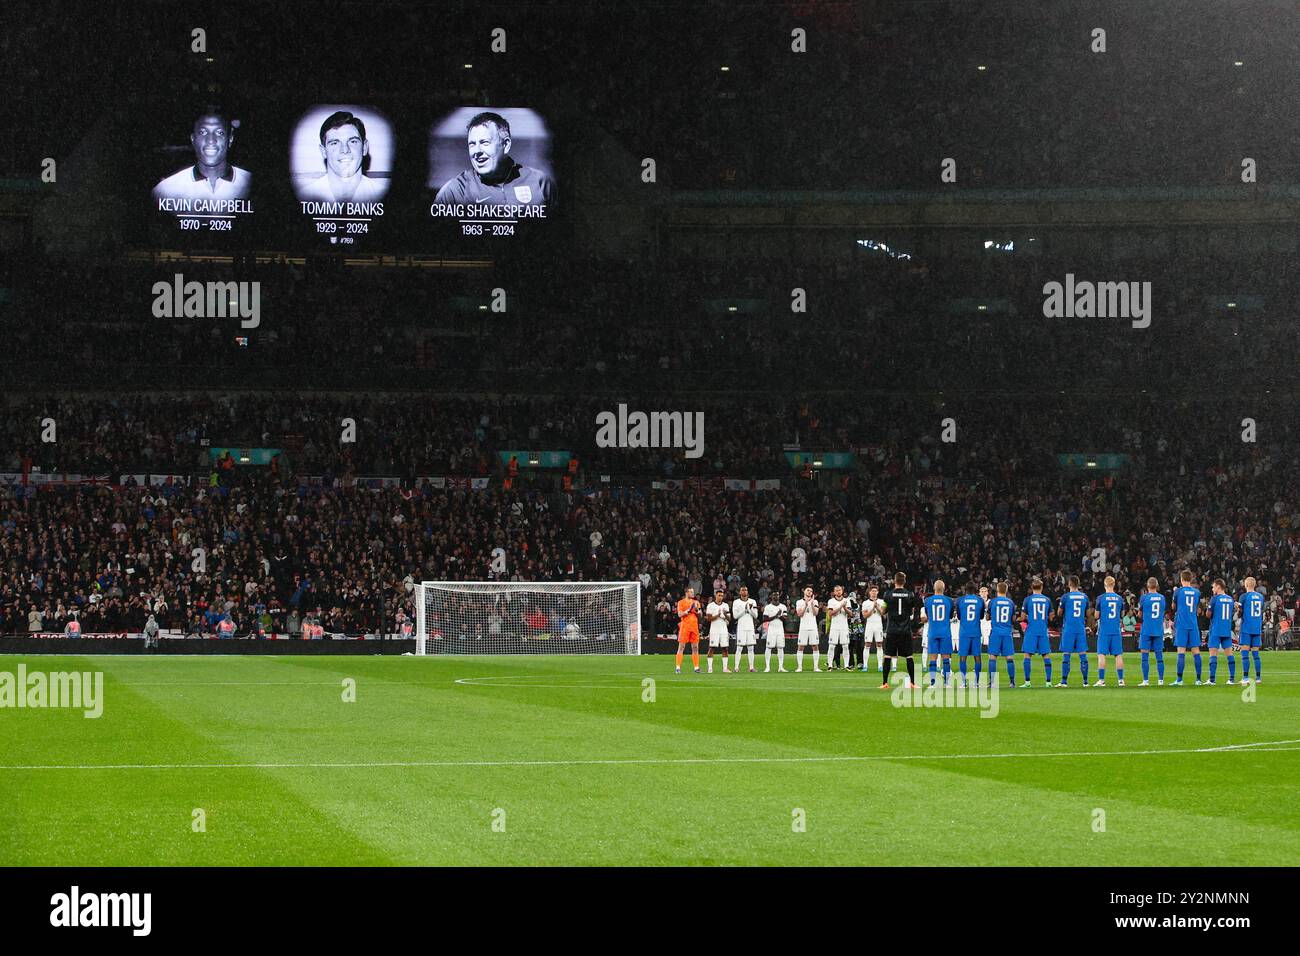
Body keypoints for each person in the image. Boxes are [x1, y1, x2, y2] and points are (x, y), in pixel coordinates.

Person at [434, 111, 555, 209]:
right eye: (472, 144)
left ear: (506, 144)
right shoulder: (455, 191)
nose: (477, 151)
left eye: (484, 142)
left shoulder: (541, 183)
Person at [153, 108, 251, 201]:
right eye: (203, 132)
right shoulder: (166, 190)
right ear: (193, 139)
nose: (211, 140)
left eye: (220, 133)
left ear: (230, 139)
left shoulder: (250, 184)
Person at [298, 110, 388, 202]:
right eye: (335, 143)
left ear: (364, 148)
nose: (345, 150)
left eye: (353, 141)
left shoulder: (383, 196)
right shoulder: (305, 197)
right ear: (323, 151)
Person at [880, 572, 920, 689]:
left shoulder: (888, 594)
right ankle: (912, 683)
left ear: (894, 581)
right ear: (904, 581)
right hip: (905, 630)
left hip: (892, 629)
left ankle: (885, 683)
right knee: (909, 656)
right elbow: (912, 612)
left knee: (887, 655)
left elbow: (883, 611)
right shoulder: (910, 595)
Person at [1171, 569, 1203, 685]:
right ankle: (1198, 680)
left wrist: (1174, 595)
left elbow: (1173, 607)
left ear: (1181, 579)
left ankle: (1179, 680)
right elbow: (1197, 606)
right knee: (1196, 651)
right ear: (1191, 579)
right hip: (1193, 624)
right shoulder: (1197, 592)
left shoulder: (1178, 592)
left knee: (1181, 651)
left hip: (1182, 625)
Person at [1020, 577, 1054, 688]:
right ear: (1042, 587)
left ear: (1031, 588)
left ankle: (1027, 682)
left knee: (1027, 655)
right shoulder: (1047, 600)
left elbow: (1022, 617)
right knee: (1046, 655)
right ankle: (1048, 682)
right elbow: (1051, 617)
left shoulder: (1027, 600)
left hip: (1031, 630)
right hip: (1043, 630)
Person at [1057, 575, 1089, 687]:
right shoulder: (1084, 597)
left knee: (1066, 655)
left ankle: (1064, 682)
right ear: (1078, 584)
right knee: (1083, 655)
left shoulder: (1065, 597)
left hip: (1069, 629)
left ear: (1069, 584)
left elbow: (1059, 613)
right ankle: (1085, 682)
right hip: (1080, 628)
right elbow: (1087, 612)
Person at [1094, 576, 1127, 686]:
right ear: (1114, 585)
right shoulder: (1119, 599)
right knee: (1118, 655)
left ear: (1105, 585)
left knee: (1102, 654)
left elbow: (1096, 616)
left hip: (1104, 630)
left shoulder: (1100, 598)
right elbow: (1122, 615)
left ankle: (1101, 680)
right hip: (1116, 629)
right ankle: (1121, 680)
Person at [923, 580, 954, 686]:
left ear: (934, 588)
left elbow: (928, 615)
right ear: (944, 589)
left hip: (932, 632)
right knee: (946, 658)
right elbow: (950, 616)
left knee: (933, 658)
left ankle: (933, 683)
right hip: (945, 632)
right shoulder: (949, 600)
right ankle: (946, 683)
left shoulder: (927, 601)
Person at [987, 582, 1017, 688]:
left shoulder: (992, 602)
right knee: (1009, 657)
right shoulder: (1010, 602)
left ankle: (992, 683)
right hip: (1007, 632)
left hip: (995, 632)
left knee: (992, 657)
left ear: (997, 590)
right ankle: (1012, 682)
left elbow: (987, 617)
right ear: (1006, 590)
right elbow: (1013, 619)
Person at [1206, 579, 1237, 685]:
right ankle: (1232, 679)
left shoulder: (1214, 599)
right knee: (1229, 653)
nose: (1212, 589)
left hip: (1216, 629)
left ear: (1218, 587)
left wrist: (1208, 609)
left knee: (1213, 653)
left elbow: (1208, 615)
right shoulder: (1230, 599)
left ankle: (1212, 679)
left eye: (1213, 587)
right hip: (1226, 629)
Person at [1138, 577, 1167, 686]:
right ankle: (1161, 680)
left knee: (1145, 656)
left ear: (1148, 586)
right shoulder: (1162, 598)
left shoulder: (1144, 598)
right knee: (1159, 657)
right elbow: (1162, 612)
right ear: (1157, 585)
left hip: (1147, 630)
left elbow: (1140, 614)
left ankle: (1145, 681)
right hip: (1158, 630)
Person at [955, 582, 984, 689]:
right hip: (976, 632)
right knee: (977, 657)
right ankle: (976, 683)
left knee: (963, 657)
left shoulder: (960, 600)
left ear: (965, 590)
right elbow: (981, 617)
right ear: (975, 590)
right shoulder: (980, 600)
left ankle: (963, 683)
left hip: (964, 632)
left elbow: (958, 617)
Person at [1239, 576, 1264, 684]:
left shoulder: (1244, 596)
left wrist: (1237, 608)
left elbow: (1240, 613)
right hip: (1257, 628)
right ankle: (1258, 678)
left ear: (1246, 585)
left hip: (1247, 628)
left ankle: (1245, 678)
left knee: (1245, 653)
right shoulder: (1261, 597)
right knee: (1256, 654)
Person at [731, 586, 759, 673]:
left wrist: (749, 610)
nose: (744, 591)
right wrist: (745, 609)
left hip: (750, 627)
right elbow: (735, 616)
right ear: (740, 592)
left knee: (751, 648)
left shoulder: (752, 601)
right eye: (742, 590)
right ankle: (736, 667)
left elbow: (756, 615)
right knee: (739, 648)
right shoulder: (736, 602)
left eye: (746, 590)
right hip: (741, 628)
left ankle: (751, 667)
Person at [825, 585, 851, 671]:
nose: (838, 592)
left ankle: (846, 665)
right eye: (836, 590)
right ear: (834, 592)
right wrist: (840, 606)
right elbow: (830, 613)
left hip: (844, 626)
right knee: (832, 646)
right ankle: (829, 665)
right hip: (834, 626)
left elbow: (851, 614)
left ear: (842, 591)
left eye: (839, 590)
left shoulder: (847, 601)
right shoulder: (831, 601)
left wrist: (844, 608)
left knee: (845, 646)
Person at [794, 586, 821, 672]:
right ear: (804, 591)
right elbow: (799, 614)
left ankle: (816, 667)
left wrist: (812, 603)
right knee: (801, 646)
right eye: (808, 590)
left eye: (811, 591)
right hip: (803, 627)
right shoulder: (799, 602)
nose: (809, 592)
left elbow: (816, 613)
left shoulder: (815, 601)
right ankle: (799, 667)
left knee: (815, 646)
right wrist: (806, 604)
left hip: (813, 627)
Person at [861, 585, 885, 673]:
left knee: (879, 644)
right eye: (872, 591)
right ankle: (865, 665)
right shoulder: (865, 603)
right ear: (869, 592)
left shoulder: (882, 601)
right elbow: (865, 616)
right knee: (867, 644)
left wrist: (877, 606)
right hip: (869, 626)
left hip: (878, 626)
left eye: (875, 591)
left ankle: (880, 666)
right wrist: (872, 607)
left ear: (878, 592)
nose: (874, 592)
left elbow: (883, 613)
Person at [705, 589, 731, 674]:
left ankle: (725, 668)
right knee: (712, 648)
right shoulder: (710, 605)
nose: (720, 597)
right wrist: (717, 615)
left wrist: (725, 614)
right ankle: (710, 668)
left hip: (723, 629)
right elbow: (708, 619)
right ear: (715, 596)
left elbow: (729, 619)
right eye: (719, 595)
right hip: (714, 629)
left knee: (725, 648)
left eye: (722, 596)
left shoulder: (726, 605)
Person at [762, 593, 788, 673]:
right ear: (771, 597)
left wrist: (780, 616)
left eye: (777, 595)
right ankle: (767, 667)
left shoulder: (783, 607)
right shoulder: (768, 607)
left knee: (780, 647)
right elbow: (765, 619)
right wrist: (776, 615)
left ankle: (780, 667)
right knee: (769, 647)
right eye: (774, 595)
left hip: (780, 629)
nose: (776, 596)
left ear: (779, 596)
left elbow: (785, 618)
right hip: (771, 629)